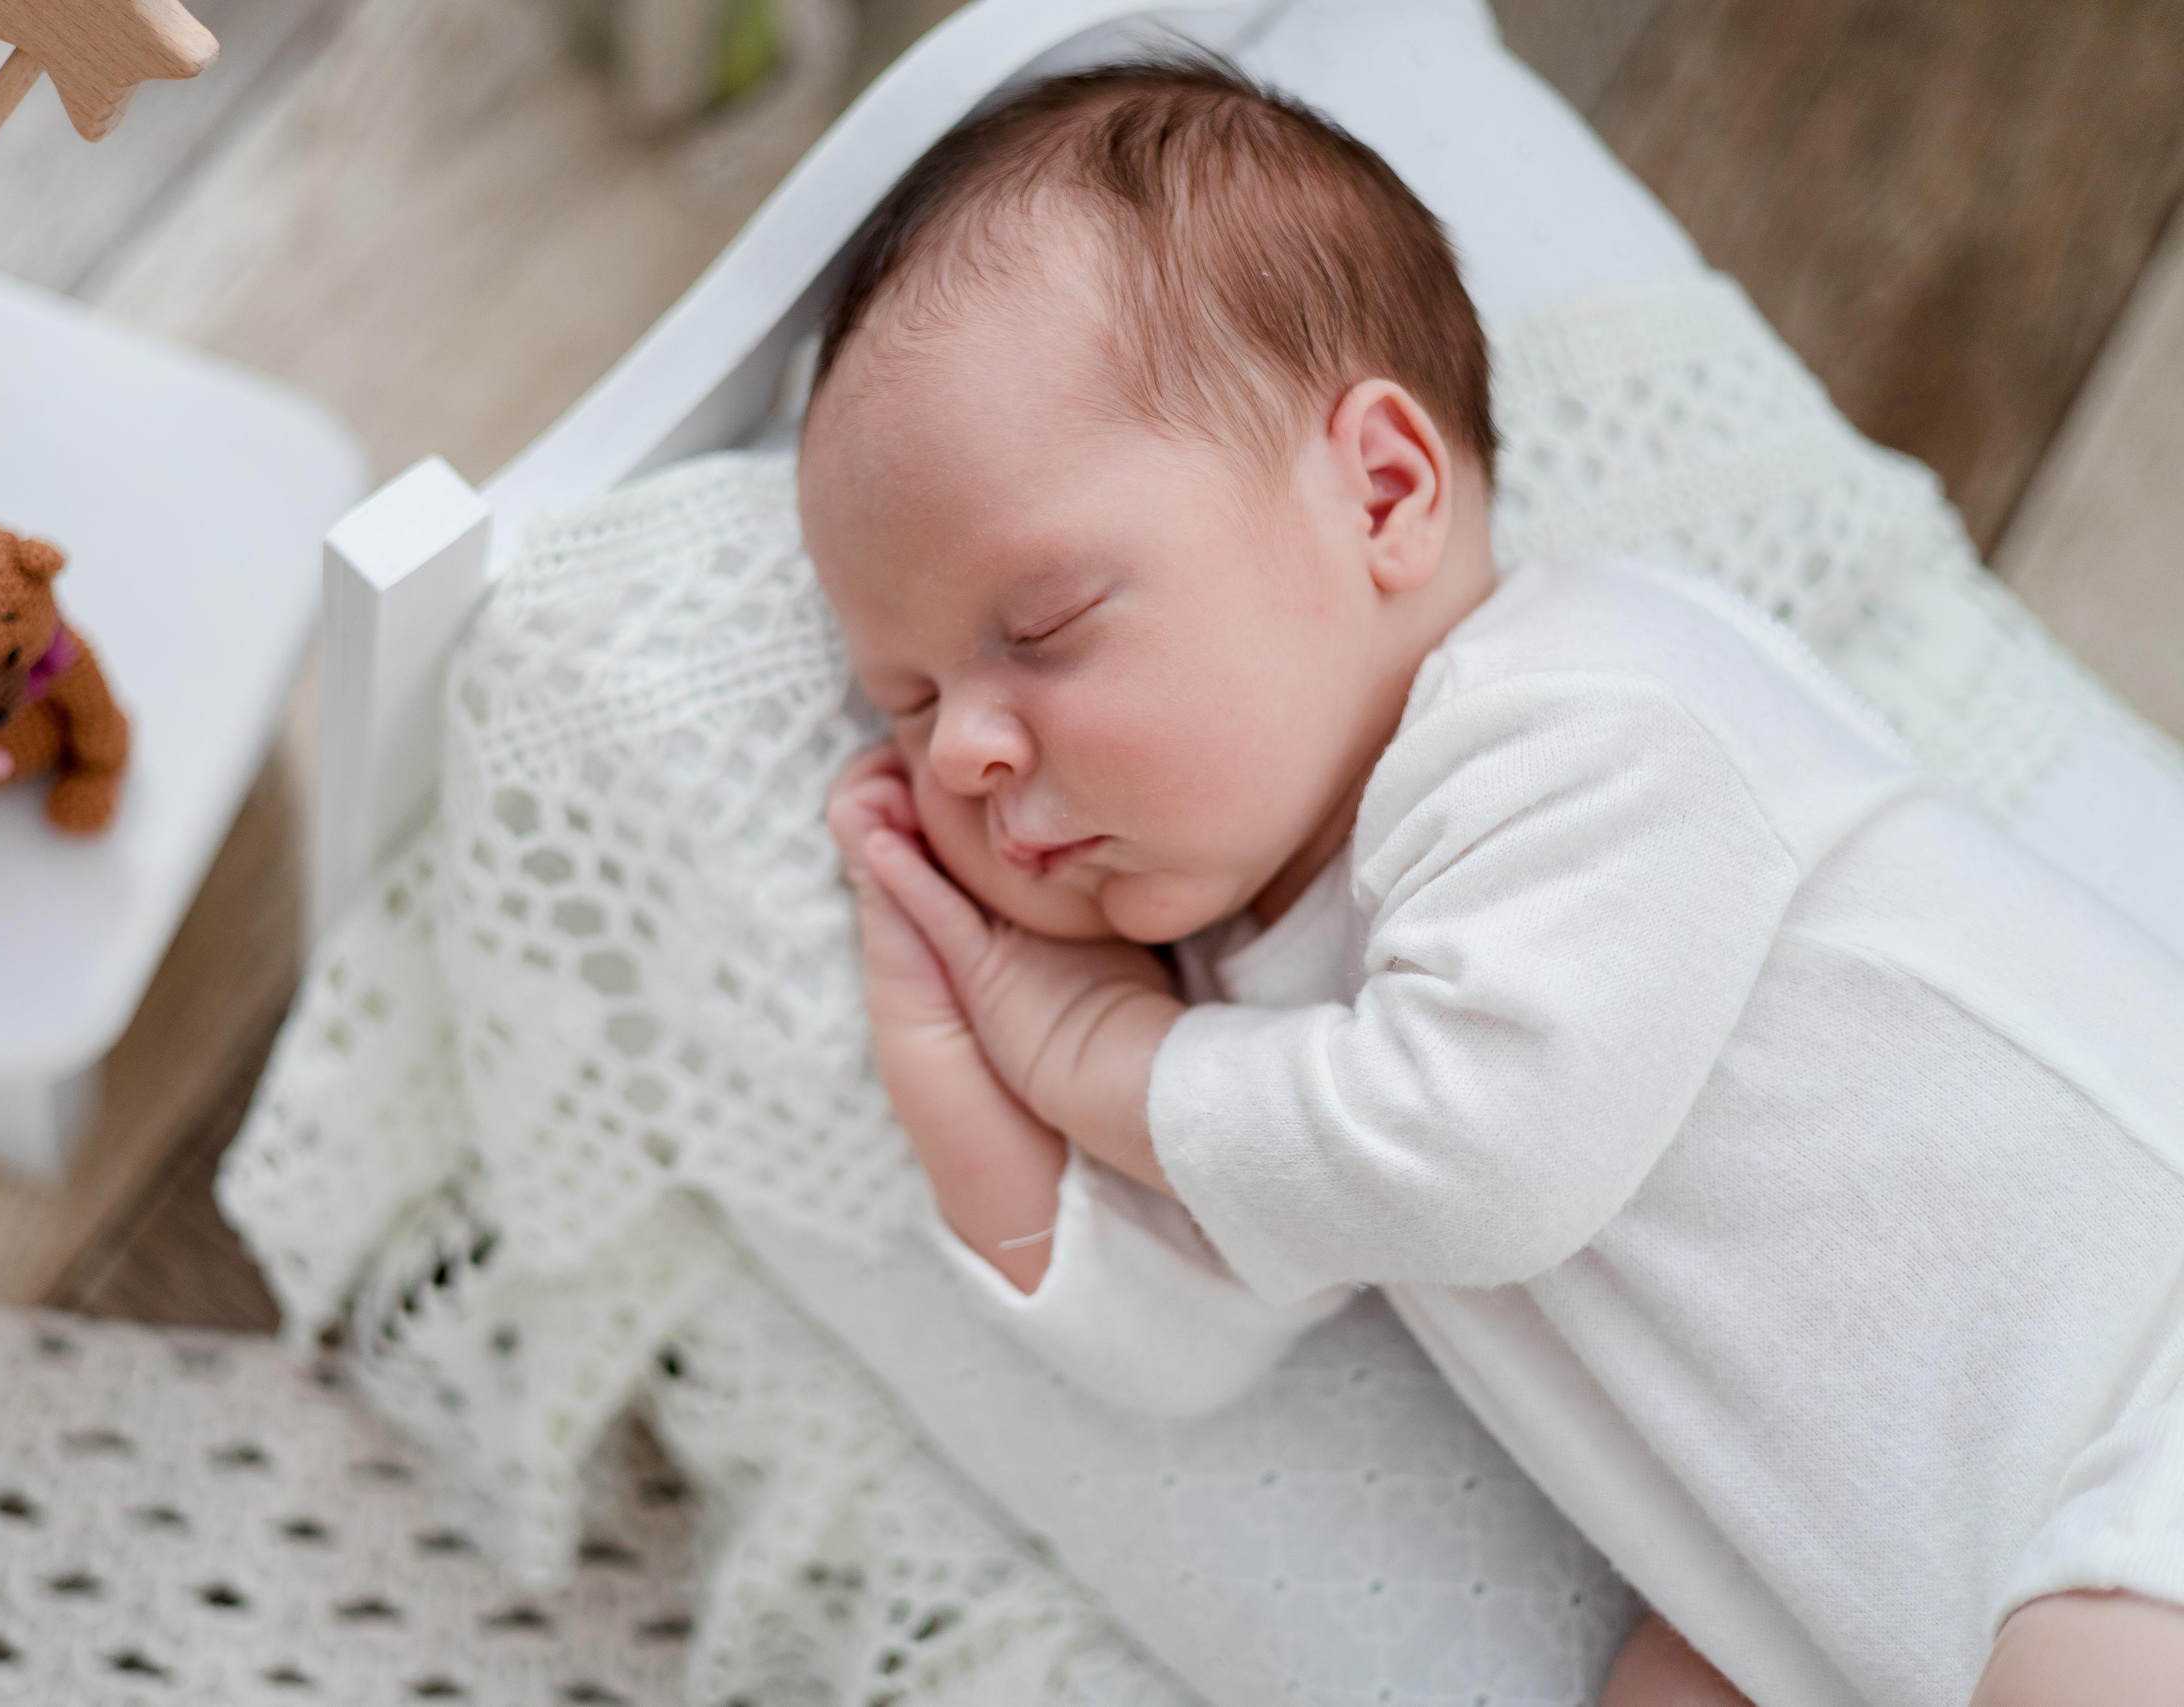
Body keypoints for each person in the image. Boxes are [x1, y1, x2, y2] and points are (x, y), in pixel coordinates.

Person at [803, 58, 2184, 1707]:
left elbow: (1474, 1154)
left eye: (1038, 631)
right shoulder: (1259, 1009)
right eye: (908, 702)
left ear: (1380, 492)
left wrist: (1087, 1058)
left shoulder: (1587, 705)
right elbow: (1168, 1338)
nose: (960, 751)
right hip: (1905, 1620)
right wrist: (954, 1033)